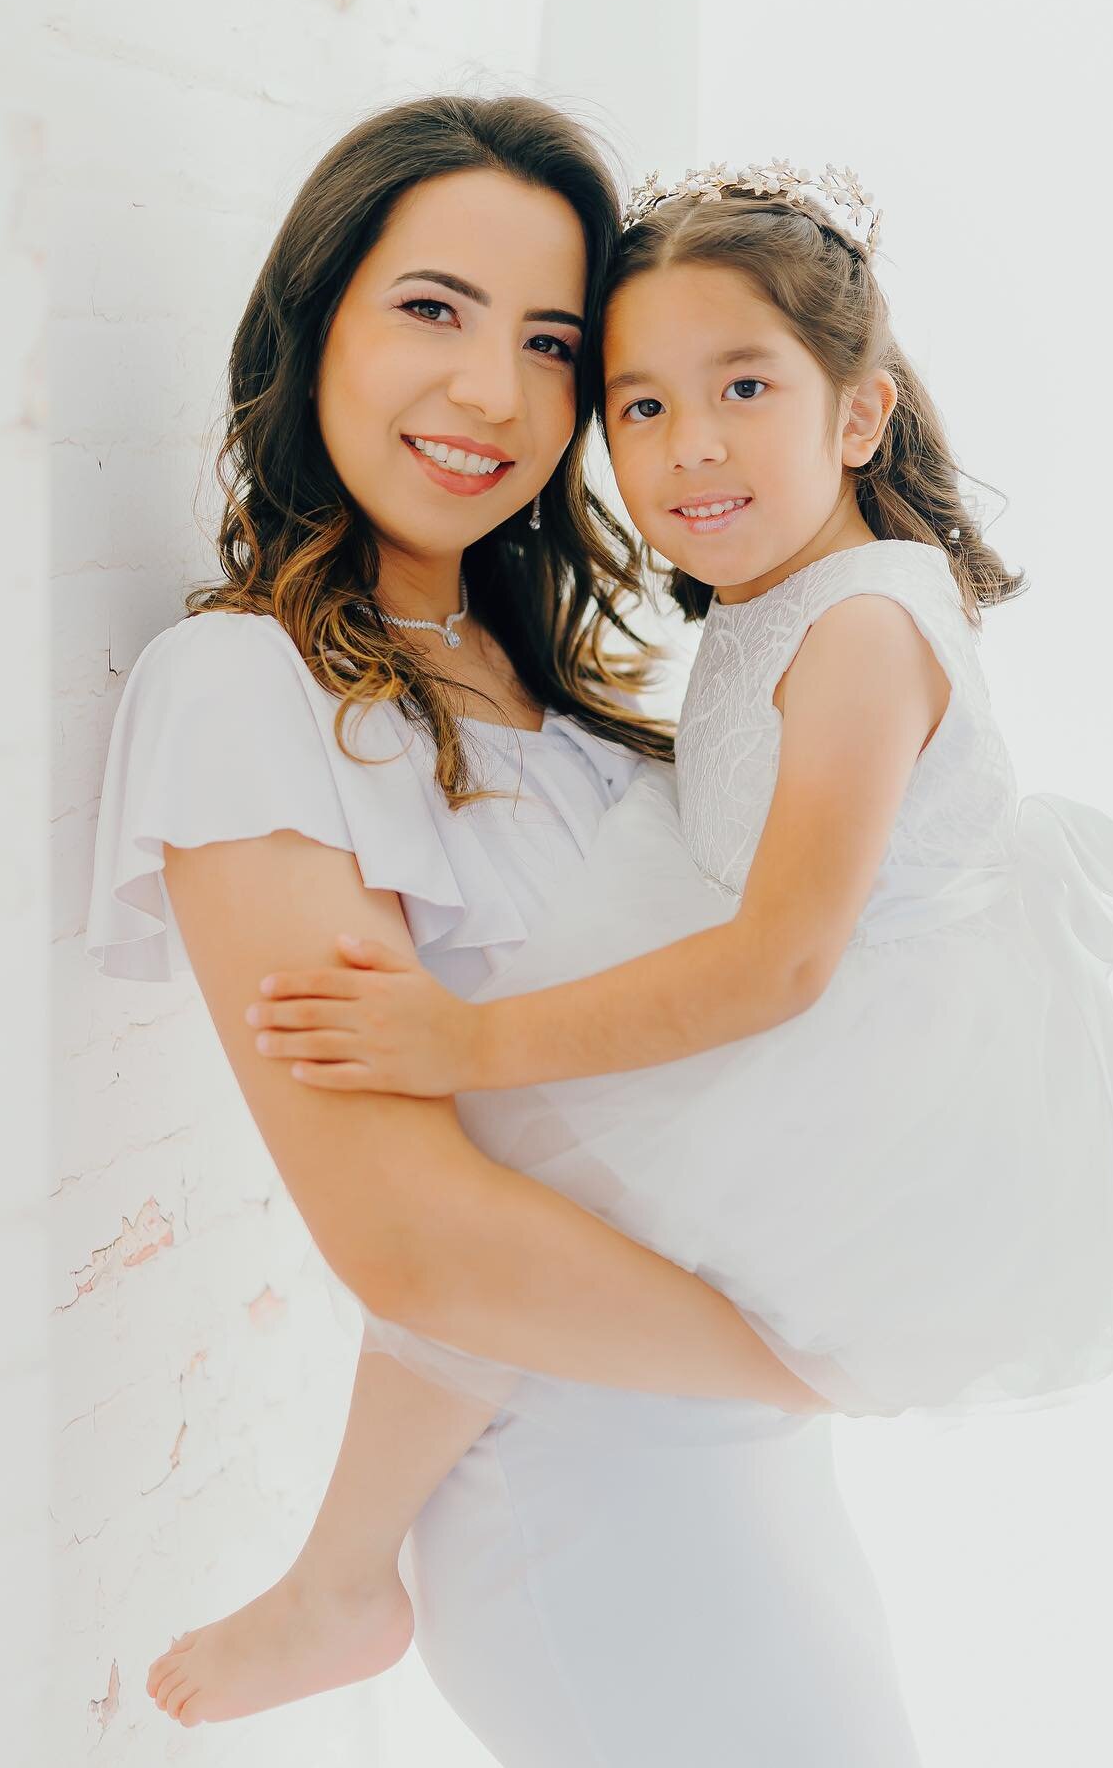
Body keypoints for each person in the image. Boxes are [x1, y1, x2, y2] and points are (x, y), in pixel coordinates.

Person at [222, 157, 1113, 1696]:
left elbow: (784, 958)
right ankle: (338, 1579)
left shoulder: (862, 626)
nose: (690, 448)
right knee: (496, 1201)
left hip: (843, 1057)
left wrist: (466, 1033)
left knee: (515, 1156)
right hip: (802, 1035)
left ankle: (338, 1581)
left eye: (741, 385)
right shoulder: (778, 611)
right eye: (641, 405)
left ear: (860, 414)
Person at [89, 101, 921, 1763]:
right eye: (430, 309)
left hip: (751, 1483)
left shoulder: (588, 704)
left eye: (552, 343)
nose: (492, 393)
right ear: (313, 316)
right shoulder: (250, 692)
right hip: (593, 1501)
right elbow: (413, 1237)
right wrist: (823, 1356)